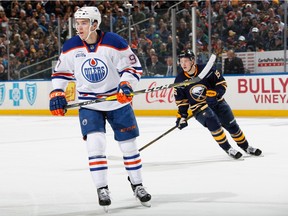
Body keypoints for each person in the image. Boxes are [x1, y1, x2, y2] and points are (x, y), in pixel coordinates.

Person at [49, 6, 151, 209]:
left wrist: (126, 84)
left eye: (84, 23)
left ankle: (137, 184)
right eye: (77, 23)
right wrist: (57, 92)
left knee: (129, 146)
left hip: (117, 102)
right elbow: (60, 73)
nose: (79, 27)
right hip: (90, 104)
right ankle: (102, 188)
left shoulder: (114, 42)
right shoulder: (71, 46)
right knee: (95, 145)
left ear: (95, 24)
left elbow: (132, 68)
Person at [174, 50, 262, 159]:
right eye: (181, 61)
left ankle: (246, 147)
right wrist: (182, 117)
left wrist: (215, 93)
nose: (183, 64)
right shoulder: (179, 80)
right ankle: (228, 148)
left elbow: (222, 84)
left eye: (186, 61)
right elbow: (182, 102)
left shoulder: (207, 70)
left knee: (232, 126)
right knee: (213, 123)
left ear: (192, 61)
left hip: (217, 102)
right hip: (199, 107)